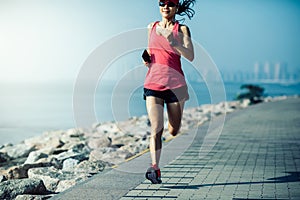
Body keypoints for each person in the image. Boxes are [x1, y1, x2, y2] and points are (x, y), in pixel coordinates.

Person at [143, 0, 196, 184]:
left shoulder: (182, 30)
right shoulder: (151, 27)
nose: (166, 6)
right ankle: (155, 168)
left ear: (176, 8)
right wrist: (147, 59)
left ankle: (174, 128)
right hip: (153, 84)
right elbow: (150, 51)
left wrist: (173, 42)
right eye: (162, 2)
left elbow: (190, 55)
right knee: (156, 129)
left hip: (176, 86)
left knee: (173, 130)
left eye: (170, 3)